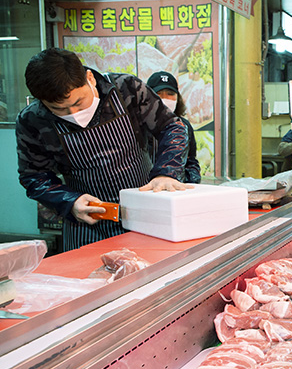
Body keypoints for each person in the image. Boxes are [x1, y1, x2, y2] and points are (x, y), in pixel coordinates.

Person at [16, 48, 190, 252]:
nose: (73, 113)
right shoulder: (32, 120)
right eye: (59, 110)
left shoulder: (127, 90)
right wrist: (70, 202)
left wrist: (166, 172)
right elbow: (34, 177)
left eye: (79, 103)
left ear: (89, 77)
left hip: (145, 216)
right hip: (86, 227)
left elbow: (172, 127)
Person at [146, 71, 201, 184]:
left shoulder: (184, 125)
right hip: (146, 189)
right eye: (159, 94)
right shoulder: (141, 125)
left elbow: (191, 161)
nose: (164, 98)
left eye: (170, 94)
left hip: (175, 189)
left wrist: (189, 181)